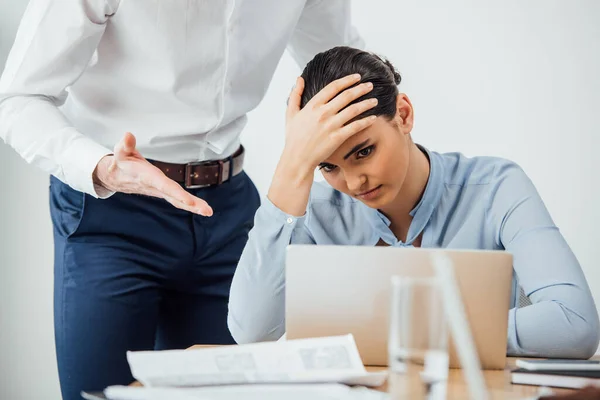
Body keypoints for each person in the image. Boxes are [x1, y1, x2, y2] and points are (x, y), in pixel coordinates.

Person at [0, 2, 363, 399]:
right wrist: (105, 169)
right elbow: (19, 98)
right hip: (111, 211)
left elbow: (349, 72)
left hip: (229, 210)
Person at [228, 46, 600, 359]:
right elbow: (252, 331)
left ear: (402, 115)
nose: (354, 182)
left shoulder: (496, 189)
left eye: (364, 151)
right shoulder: (316, 211)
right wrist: (293, 165)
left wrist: (408, 329)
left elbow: (574, 323)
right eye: (328, 166)